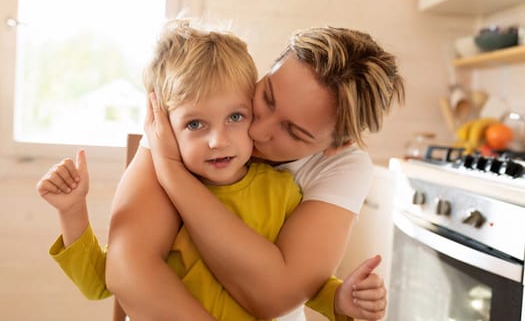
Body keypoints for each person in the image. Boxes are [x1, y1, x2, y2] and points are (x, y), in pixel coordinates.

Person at [37, 20, 387, 321]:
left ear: (336, 145)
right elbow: (125, 269)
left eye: (293, 132)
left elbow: (286, 290)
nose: (258, 130)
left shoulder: (292, 188)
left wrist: (171, 170)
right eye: (265, 97)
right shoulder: (187, 122)